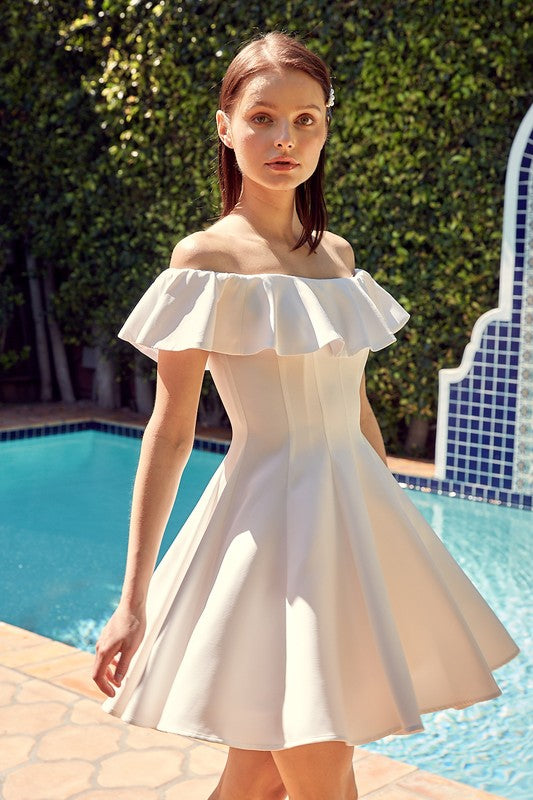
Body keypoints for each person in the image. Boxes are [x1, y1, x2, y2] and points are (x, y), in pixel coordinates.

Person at [92, 31, 519, 800]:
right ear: (224, 126)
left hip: (348, 530)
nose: (285, 139)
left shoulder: (339, 260)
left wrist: (388, 539)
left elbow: (355, 413)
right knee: (323, 777)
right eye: (262, 118)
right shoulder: (204, 261)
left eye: (305, 119)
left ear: (326, 126)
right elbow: (171, 431)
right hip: (271, 538)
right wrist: (133, 599)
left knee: (256, 779)